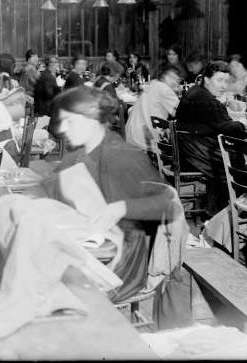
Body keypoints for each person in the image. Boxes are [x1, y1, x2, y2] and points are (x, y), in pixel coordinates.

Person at [45, 86, 183, 302]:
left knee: (46, 286)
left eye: (70, 121)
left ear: (91, 119)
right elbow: (51, 186)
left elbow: (170, 203)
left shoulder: (123, 155)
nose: (62, 128)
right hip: (97, 248)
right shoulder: (79, 153)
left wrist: (122, 208)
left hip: (121, 265)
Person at [175, 61, 245, 216]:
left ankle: (215, 210)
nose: (223, 86)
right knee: (236, 162)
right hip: (196, 155)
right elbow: (229, 128)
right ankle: (227, 214)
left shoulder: (195, 91)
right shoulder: (207, 100)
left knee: (230, 156)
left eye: (226, 81)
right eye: (219, 80)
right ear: (206, 79)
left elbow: (215, 122)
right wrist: (243, 123)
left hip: (188, 150)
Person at [125, 65, 181, 150]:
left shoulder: (152, 83)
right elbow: (180, 113)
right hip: (145, 141)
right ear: (164, 76)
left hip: (132, 135)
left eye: (178, 79)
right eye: (173, 77)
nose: (175, 82)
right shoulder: (164, 89)